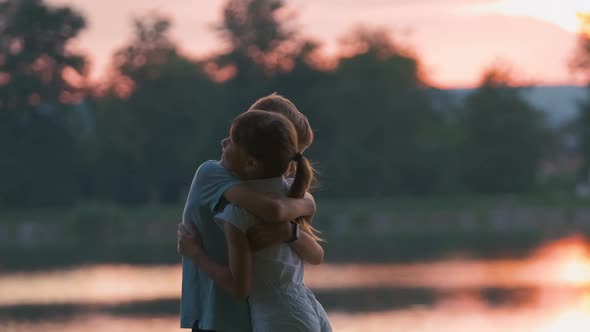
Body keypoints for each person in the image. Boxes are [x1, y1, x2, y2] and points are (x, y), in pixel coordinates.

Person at [179, 94, 322, 332]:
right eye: (288, 150)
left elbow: (315, 255)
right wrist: (307, 204)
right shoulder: (213, 173)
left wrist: (290, 230)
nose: (291, 165)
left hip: (259, 319)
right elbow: (273, 210)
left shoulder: (277, 191)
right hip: (216, 315)